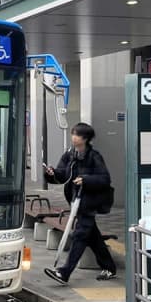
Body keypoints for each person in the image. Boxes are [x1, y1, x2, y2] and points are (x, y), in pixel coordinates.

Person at [43, 122, 116, 285]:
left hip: (89, 203)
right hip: (76, 202)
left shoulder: (94, 156)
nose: (73, 137)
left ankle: (64, 272)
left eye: (77, 135)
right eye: (73, 134)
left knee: (80, 235)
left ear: (85, 139)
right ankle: (110, 267)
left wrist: (86, 179)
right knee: (92, 237)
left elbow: (105, 179)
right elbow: (61, 176)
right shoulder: (69, 155)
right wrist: (52, 173)